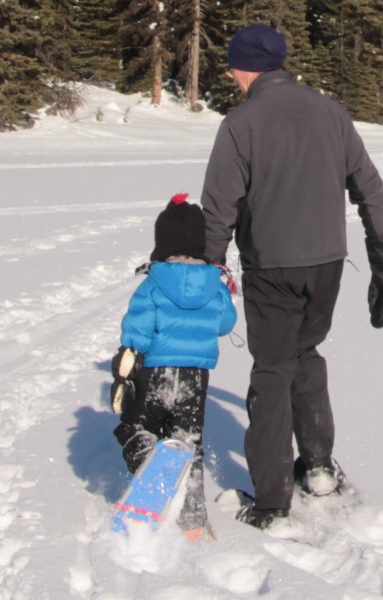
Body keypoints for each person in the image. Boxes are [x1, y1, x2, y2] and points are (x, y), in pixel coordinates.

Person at [201, 24, 383, 533]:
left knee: (272, 370)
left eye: (232, 66)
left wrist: (209, 269)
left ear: (247, 67)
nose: (230, 75)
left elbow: (217, 208)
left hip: (272, 267)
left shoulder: (240, 123)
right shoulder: (330, 111)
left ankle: (271, 503)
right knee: (305, 356)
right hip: (327, 266)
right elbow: (369, 187)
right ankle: (317, 469)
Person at [111, 193, 239, 542]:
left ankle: (150, 461)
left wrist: (127, 360)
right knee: (188, 443)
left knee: (135, 426)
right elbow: (225, 323)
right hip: (195, 378)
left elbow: (137, 327)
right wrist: (224, 292)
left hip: (154, 372)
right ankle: (193, 519)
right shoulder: (214, 283)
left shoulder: (154, 281)